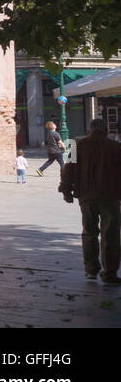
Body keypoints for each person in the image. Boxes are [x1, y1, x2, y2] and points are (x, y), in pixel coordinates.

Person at [59, 118, 121, 283]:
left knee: (89, 232)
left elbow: (68, 170)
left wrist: (66, 190)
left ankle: (91, 270)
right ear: (106, 131)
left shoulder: (77, 147)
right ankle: (110, 272)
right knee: (112, 235)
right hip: (111, 196)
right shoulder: (116, 148)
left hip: (86, 196)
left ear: (89, 131)